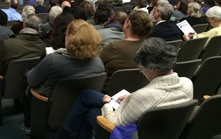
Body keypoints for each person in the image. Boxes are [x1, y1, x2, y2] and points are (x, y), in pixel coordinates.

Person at [51, 38, 193, 139]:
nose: (139, 71)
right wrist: (131, 97)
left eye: (141, 68)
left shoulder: (144, 95)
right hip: (159, 130)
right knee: (88, 96)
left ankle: (62, 134)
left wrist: (107, 103)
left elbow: (114, 125)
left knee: (90, 110)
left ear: (151, 69)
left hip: (129, 131)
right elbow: (154, 100)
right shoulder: (187, 83)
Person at [22, 19, 105, 135]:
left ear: (70, 37)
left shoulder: (53, 60)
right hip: (80, 109)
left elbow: (31, 80)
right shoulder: (98, 63)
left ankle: (28, 126)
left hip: (48, 108)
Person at [0, 14, 46, 111]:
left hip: (5, 81)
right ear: (39, 28)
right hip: (27, 81)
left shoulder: (8, 43)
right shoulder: (43, 45)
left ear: (24, 24)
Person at [100, 11, 153, 77]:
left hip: (112, 86)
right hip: (141, 86)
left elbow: (96, 65)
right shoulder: (151, 47)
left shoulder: (113, 47)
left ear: (128, 23)